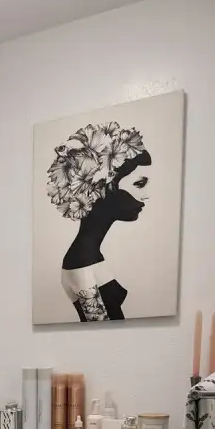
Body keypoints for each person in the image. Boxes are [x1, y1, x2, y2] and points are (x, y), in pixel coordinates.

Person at [47, 122, 151, 321]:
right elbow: (99, 329)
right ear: (102, 187)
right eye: (139, 184)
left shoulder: (87, 255)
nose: (147, 195)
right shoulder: (81, 262)